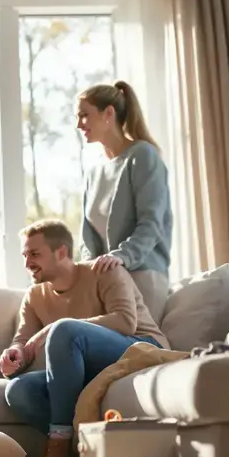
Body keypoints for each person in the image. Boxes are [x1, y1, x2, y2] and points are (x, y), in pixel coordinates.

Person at [0, 219, 169, 457]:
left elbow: (125, 321)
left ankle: (57, 449)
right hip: (90, 369)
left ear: (62, 252)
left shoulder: (105, 270)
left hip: (140, 350)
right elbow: (22, 341)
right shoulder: (35, 296)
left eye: (34, 254)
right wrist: (15, 356)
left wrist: (54, 327)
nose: (27, 263)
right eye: (24, 255)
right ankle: (86, 450)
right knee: (18, 390)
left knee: (65, 330)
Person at [76, 80, 173, 322]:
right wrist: (88, 273)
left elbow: (151, 223)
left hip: (142, 276)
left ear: (108, 113)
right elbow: (88, 236)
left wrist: (121, 257)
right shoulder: (94, 170)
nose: (79, 124)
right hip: (107, 282)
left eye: (84, 115)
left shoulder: (142, 156)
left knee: (136, 353)